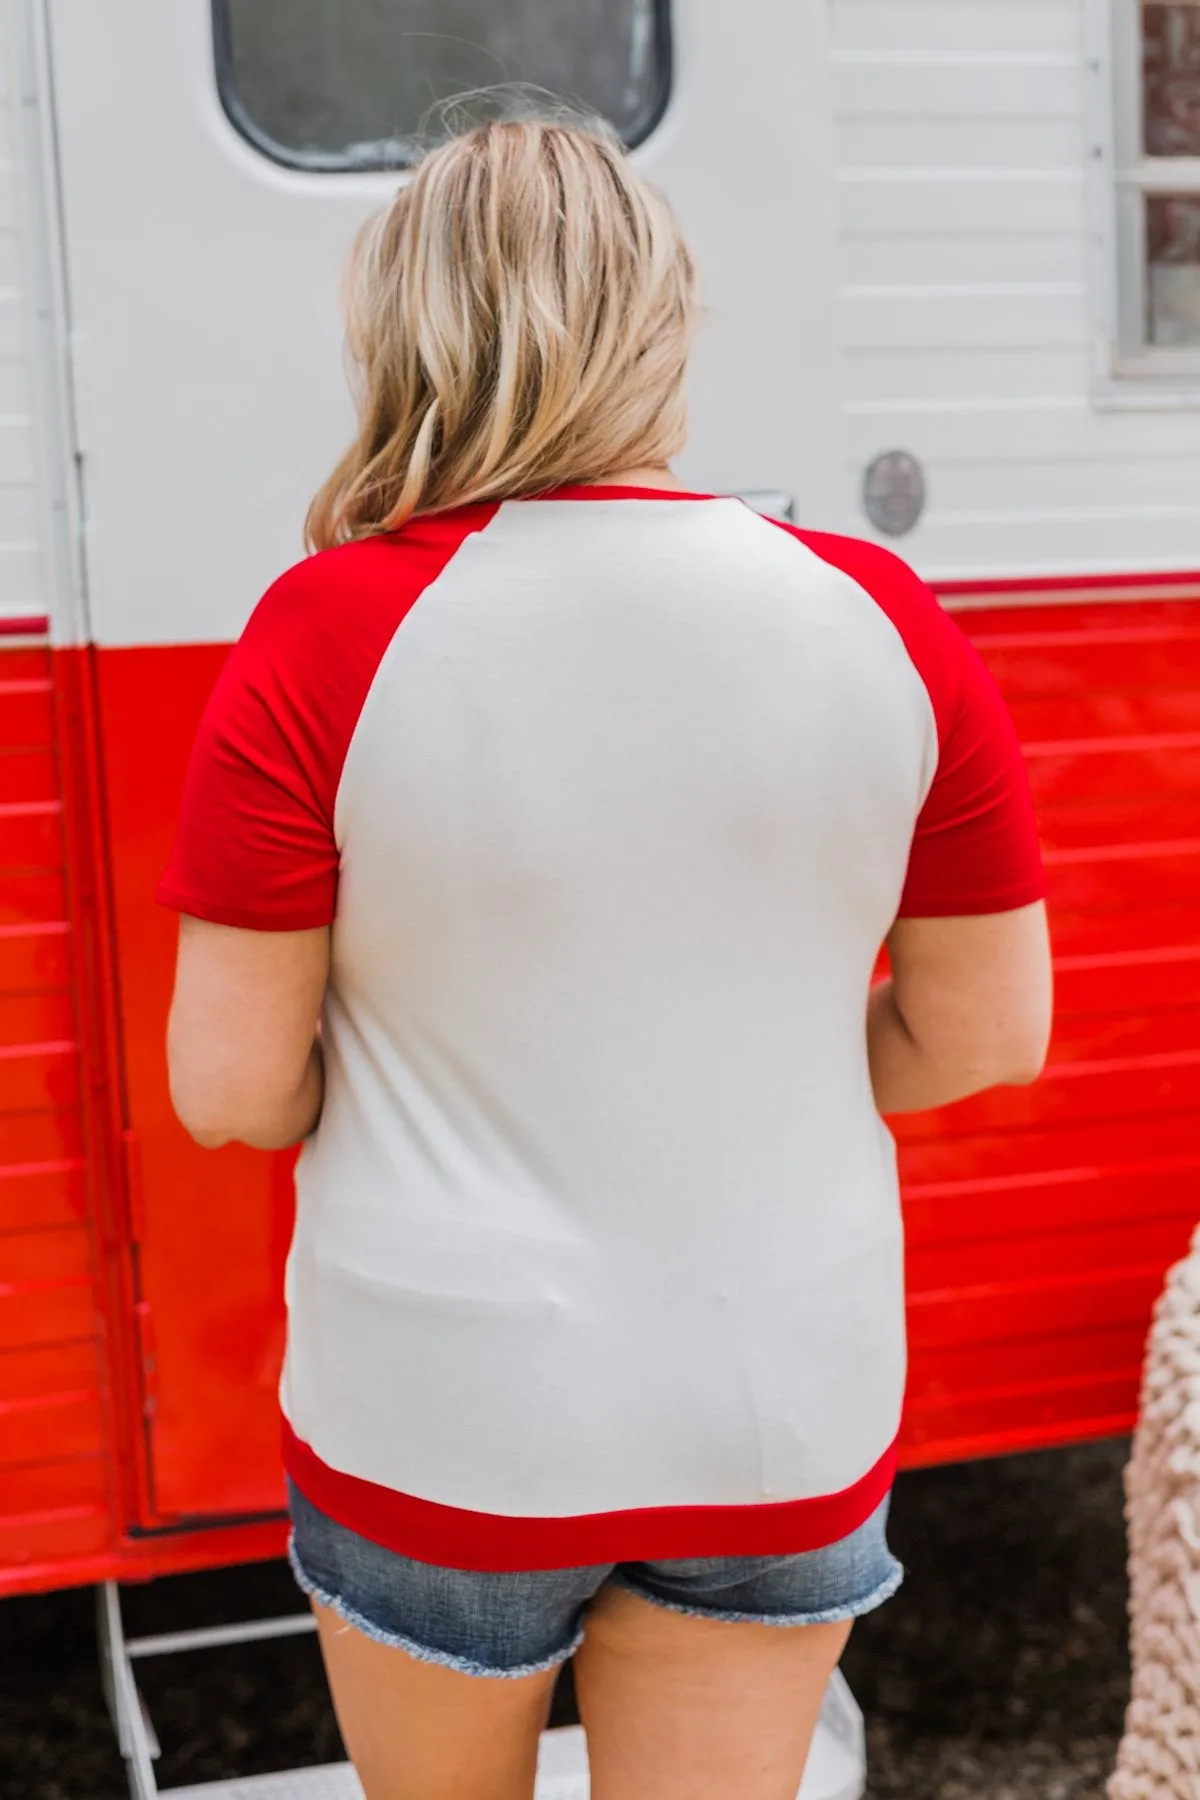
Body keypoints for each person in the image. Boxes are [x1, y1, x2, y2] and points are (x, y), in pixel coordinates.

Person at [160, 116, 1052, 1800]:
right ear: (664, 323)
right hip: (780, 1389)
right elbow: (987, 1039)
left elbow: (230, 1094)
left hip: (444, 1411)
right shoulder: (884, 617)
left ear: (402, 330)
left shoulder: (328, 633)